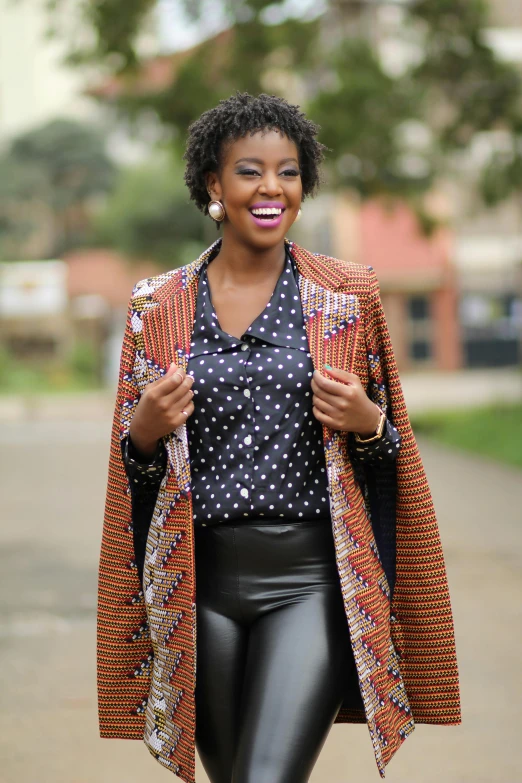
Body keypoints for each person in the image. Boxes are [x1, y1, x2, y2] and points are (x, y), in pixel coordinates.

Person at [97, 93, 460, 783]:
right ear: (214, 184)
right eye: (250, 171)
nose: (271, 188)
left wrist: (369, 423)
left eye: (288, 172)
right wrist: (141, 434)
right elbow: (135, 482)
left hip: (310, 582)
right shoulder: (157, 304)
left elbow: (392, 455)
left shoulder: (348, 294)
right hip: (192, 585)